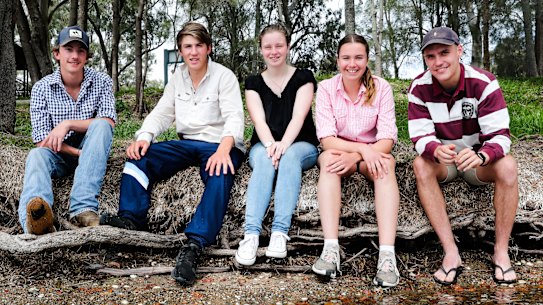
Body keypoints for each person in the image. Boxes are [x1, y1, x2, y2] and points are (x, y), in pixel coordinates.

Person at [99, 22, 245, 286]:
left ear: (208, 48)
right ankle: (131, 220)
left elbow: (235, 116)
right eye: (187, 46)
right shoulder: (178, 77)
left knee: (220, 170)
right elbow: (163, 112)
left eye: (199, 45)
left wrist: (225, 150)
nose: (193, 52)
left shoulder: (225, 76)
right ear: (180, 51)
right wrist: (144, 137)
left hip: (219, 143)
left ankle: (194, 245)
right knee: (138, 159)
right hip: (187, 143)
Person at [408, 27, 518, 285]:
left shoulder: (484, 83)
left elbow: (501, 136)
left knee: (509, 167)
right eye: (431, 56)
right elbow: (420, 137)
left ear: (459, 50)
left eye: (444, 52)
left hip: (476, 162)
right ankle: (451, 252)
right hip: (443, 162)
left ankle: (501, 253)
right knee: (420, 165)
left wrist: (482, 157)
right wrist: (435, 149)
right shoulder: (419, 87)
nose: (438, 62)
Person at [312, 34, 400, 287]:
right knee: (328, 162)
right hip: (341, 152)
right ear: (338, 60)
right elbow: (327, 139)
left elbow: (387, 138)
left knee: (385, 167)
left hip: (374, 154)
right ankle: (330, 250)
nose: (352, 63)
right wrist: (360, 150)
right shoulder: (327, 88)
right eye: (346, 58)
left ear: (367, 59)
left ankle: (386, 255)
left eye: (358, 57)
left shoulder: (381, 88)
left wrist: (363, 154)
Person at [18, 25, 116, 235]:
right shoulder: (42, 88)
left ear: (87, 56)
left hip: (92, 148)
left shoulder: (102, 81)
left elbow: (108, 120)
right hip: (58, 153)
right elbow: (41, 138)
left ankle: (82, 208)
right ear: (57, 54)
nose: (74, 56)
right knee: (36, 155)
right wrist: (77, 153)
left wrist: (67, 124)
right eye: (68, 49)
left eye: (80, 51)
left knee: (101, 124)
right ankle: (36, 219)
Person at [234, 24, 319, 266]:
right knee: (262, 159)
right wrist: (272, 145)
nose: (274, 51)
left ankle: (279, 233)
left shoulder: (304, 77)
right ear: (261, 49)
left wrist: (283, 146)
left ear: (288, 46)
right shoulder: (253, 83)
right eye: (268, 46)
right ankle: (250, 235)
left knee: (290, 157)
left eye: (279, 45)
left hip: (301, 144)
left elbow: (298, 118)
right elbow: (258, 119)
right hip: (265, 144)